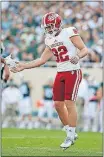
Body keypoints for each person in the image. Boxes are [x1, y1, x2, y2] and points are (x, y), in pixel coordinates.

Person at [10, 12, 88, 149]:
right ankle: (69, 131)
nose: (49, 29)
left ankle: (70, 135)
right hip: (60, 72)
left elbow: (84, 49)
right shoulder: (49, 39)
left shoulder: (69, 31)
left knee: (69, 103)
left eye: (51, 26)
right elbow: (41, 60)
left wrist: (78, 56)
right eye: (47, 27)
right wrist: (23, 66)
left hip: (73, 71)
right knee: (58, 104)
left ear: (58, 23)